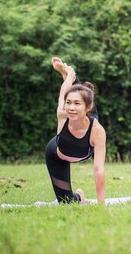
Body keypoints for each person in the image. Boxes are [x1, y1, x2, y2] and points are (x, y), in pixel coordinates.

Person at [45, 57, 107, 203]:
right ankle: (80, 197)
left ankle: (73, 78)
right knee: (66, 203)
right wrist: (67, 76)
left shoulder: (97, 130)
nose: (71, 108)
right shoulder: (63, 114)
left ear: (88, 108)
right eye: (69, 103)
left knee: (83, 96)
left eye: (76, 104)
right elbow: (64, 93)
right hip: (57, 156)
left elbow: (98, 169)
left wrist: (101, 205)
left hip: (87, 127)